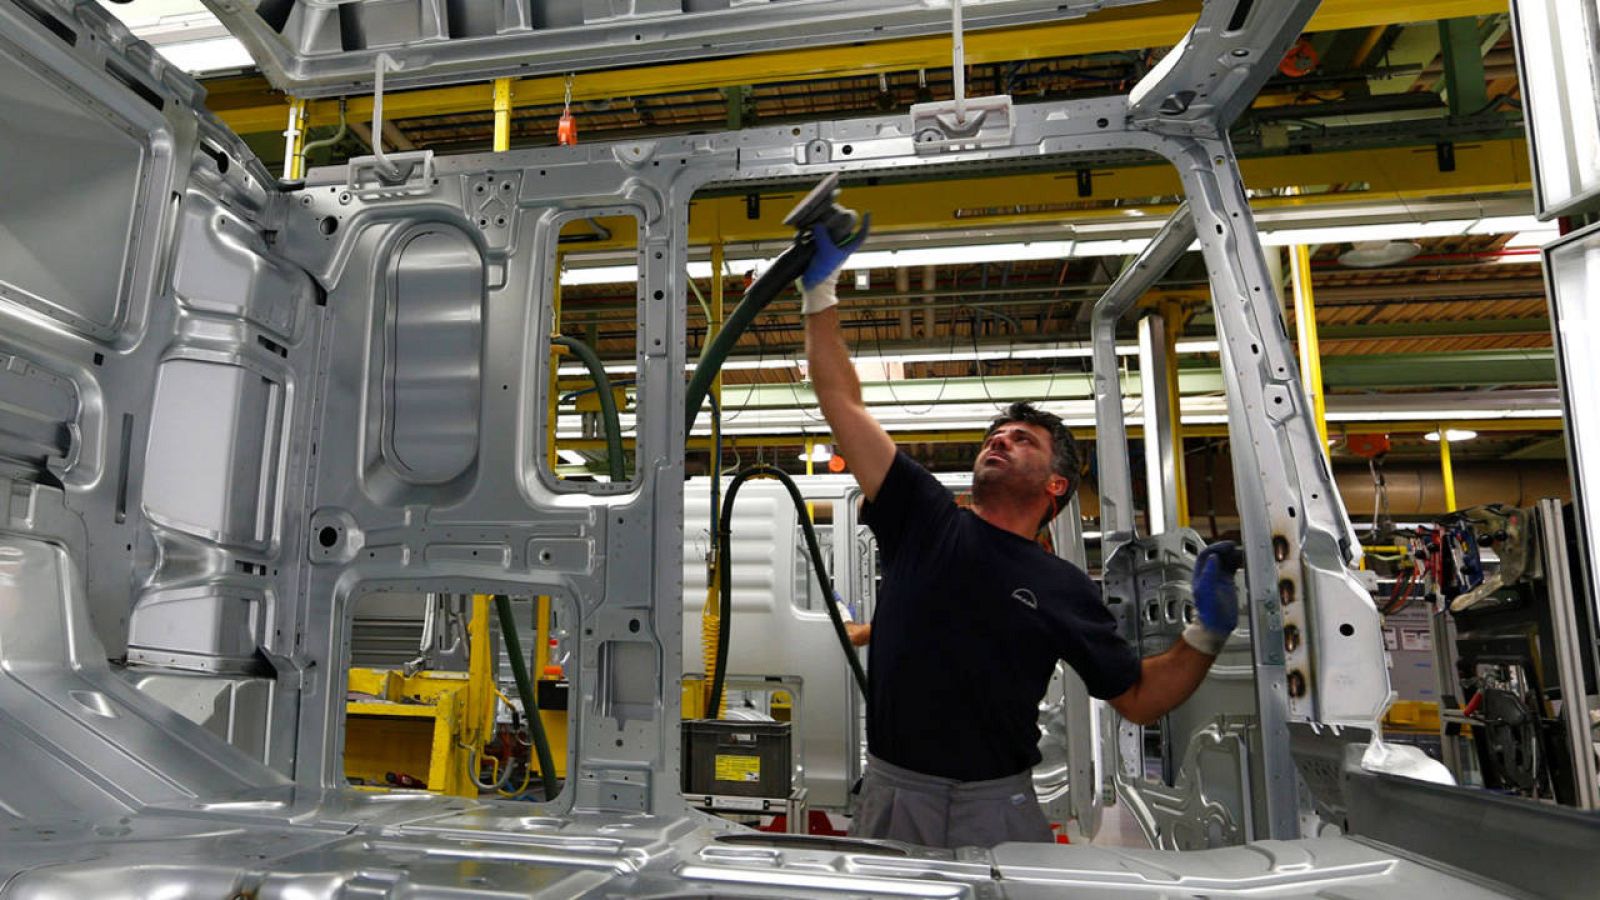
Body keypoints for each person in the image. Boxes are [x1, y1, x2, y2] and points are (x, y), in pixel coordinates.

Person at [799, 220, 1242, 849]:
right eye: (994, 437)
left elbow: (1140, 699)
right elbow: (842, 401)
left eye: (1020, 439)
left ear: (1056, 485)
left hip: (999, 806)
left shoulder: (1062, 587)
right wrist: (822, 293)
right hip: (896, 796)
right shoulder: (922, 517)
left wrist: (1209, 630)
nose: (998, 441)